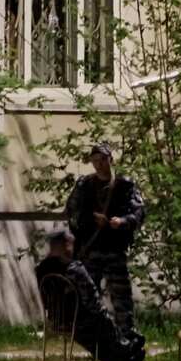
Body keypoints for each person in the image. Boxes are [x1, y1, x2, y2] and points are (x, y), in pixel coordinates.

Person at [35, 228, 146, 361]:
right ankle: (127, 348)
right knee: (101, 326)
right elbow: (92, 300)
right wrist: (103, 317)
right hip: (80, 320)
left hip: (57, 320)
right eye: (70, 244)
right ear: (65, 245)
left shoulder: (41, 270)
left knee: (93, 341)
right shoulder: (74, 268)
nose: (72, 248)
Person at [65, 141, 145, 333]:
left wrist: (121, 222)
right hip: (90, 250)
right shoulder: (84, 185)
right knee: (89, 300)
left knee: (121, 299)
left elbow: (139, 212)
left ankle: (127, 339)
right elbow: (71, 212)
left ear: (111, 160)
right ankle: (97, 340)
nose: (99, 164)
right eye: (95, 160)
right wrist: (91, 221)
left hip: (114, 250)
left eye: (103, 160)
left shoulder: (124, 185)